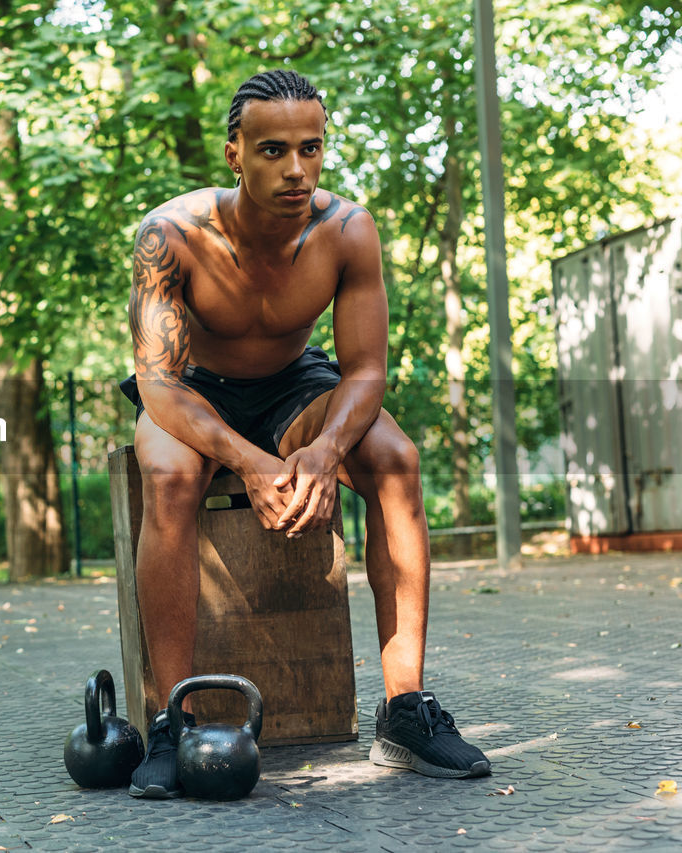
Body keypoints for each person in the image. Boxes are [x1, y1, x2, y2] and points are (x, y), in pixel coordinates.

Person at [120, 69, 491, 799]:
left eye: (310, 148)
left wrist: (322, 452)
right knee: (169, 477)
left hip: (299, 386)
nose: (295, 168)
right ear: (235, 154)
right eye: (272, 150)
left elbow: (365, 370)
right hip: (194, 389)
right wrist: (253, 462)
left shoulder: (346, 230)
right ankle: (174, 719)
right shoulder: (171, 236)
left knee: (395, 460)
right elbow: (159, 381)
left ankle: (406, 711)